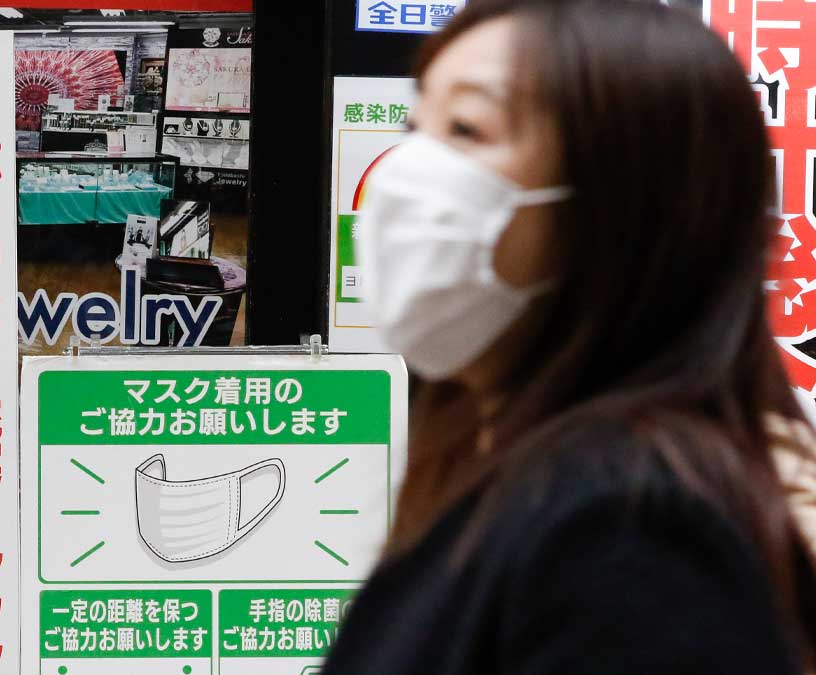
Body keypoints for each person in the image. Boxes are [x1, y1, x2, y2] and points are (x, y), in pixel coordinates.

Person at [323, 0, 816, 673]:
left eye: (466, 128)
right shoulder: (505, 461)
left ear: (625, 199)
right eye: (417, 126)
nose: (406, 173)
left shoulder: (635, 531)